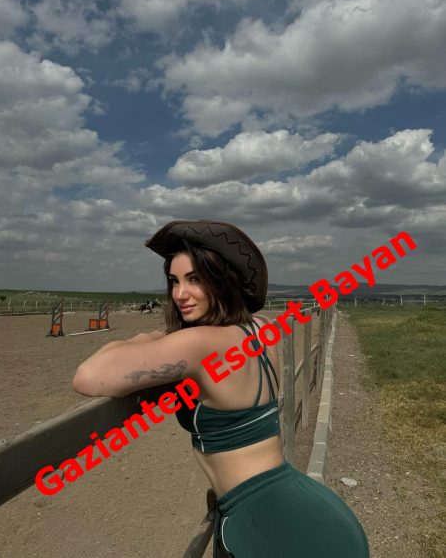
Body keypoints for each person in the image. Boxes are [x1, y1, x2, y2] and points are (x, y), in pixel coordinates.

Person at [73, 220, 370, 557]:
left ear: (221, 280)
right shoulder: (259, 327)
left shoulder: (199, 343)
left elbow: (88, 376)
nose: (179, 294)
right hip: (292, 494)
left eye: (194, 279)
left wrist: (149, 337)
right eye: (174, 281)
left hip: (257, 516)